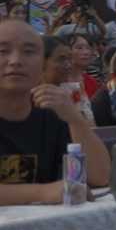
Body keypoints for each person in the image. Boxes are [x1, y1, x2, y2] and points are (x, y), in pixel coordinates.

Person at [0, 21, 110, 205]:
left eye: (28, 52)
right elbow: (50, 192)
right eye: (2, 51)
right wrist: (42, 193)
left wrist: (75, 118)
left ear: (42, 64)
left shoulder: (52, 114)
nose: (16, 61)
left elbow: (100, 177)